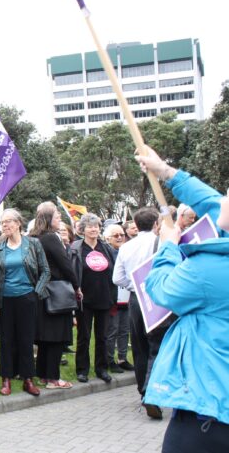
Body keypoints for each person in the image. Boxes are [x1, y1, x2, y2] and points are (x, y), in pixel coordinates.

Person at [135, 145, 229, 451]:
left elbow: (162, 289)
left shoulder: (213, 268)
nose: (221, 197)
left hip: (211, 408)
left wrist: (168, 246)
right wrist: (166, 171)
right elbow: (212, 201)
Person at [113, 206, 166, 419]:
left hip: (136, 298)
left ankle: (143, 390)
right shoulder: (162, 243)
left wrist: (133, 285)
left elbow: (117, 278)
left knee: (139, 346)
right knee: (158, 346)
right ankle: (152, 393)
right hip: (158, 297)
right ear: (156, 224)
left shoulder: (126, 247)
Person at [0, 209, 50, 396]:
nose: (5, 225)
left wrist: (36, 293)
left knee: (26, 339)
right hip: (5, 299)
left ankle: (27, 379)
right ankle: (6, 379)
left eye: (8, 221)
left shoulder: (33, 244)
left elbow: (45, 271)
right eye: (2, 223)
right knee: (6, 340)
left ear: (18, 223)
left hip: (27, 298)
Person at [29, 202, 77, 390]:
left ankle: (42, 375)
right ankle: (53, 378)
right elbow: (65, 265)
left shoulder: (34, 237)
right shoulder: (51, 238)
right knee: (56, 337)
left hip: (41, 292)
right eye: (57, 216)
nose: (60, 220)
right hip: (56, 292)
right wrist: (76, 285)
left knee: (44, 338)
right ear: (49, 219)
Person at [70, 213, 116, 384]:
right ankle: (82, 370)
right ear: (83, 229)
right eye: (90, 226)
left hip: (104, 298)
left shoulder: (106, 248)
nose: (93, 229)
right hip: (84, 300)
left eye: (96, 226)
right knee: (84, 336)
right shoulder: (76, 248)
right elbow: (72, 271)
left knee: (102, 336)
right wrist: (76, 288)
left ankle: (101, 369)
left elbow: (114, 271)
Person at [103, 224, 132, 374]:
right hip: (113, 297)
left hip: (126, 295)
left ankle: (122, 358)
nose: (120, 237)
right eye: (116, 235)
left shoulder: (127, 250)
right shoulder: (107, 252)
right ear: (108, 238)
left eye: (122, 235)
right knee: (112, 330)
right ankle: (109, 360)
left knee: (124, 329)